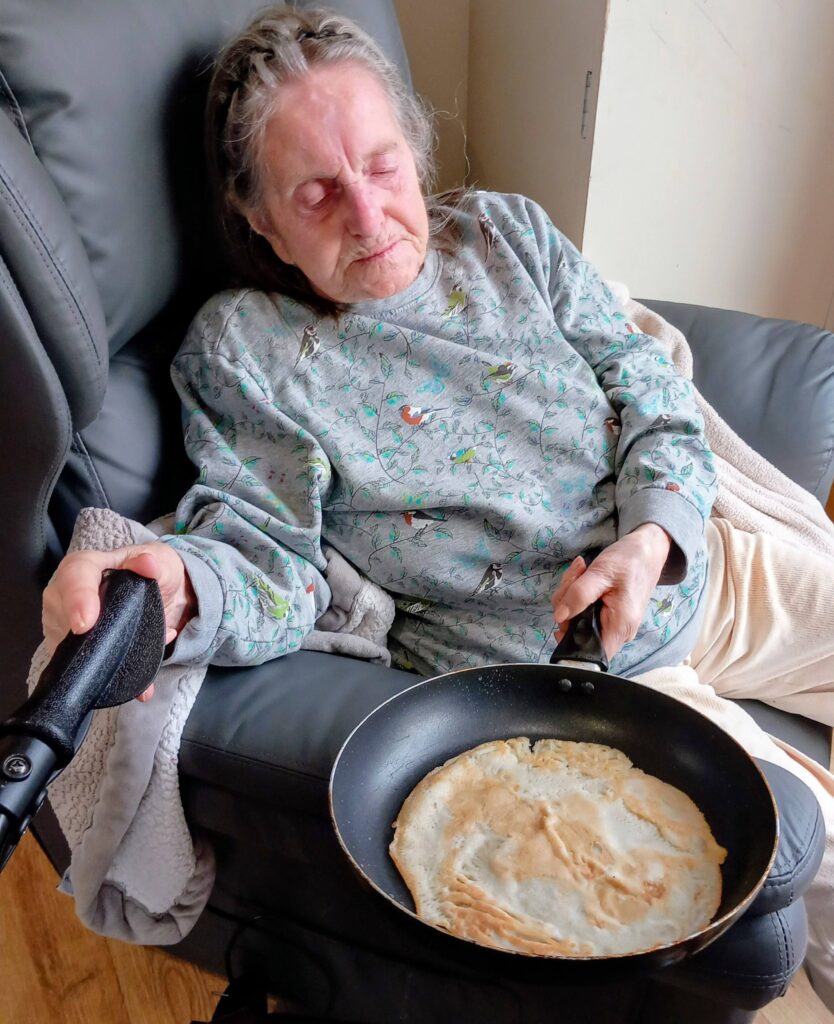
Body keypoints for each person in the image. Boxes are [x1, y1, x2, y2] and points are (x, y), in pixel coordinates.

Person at [40, 5, 834, 1005]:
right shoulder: (244, 349)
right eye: (317, 192)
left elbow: (648, 383)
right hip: (573, 682)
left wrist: (652, 534)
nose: (367, 218)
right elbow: (270, 556)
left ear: (415, 153)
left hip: (700, 566)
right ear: (258, 217)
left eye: (380, 168)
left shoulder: (506, 232)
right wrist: (180, 585)